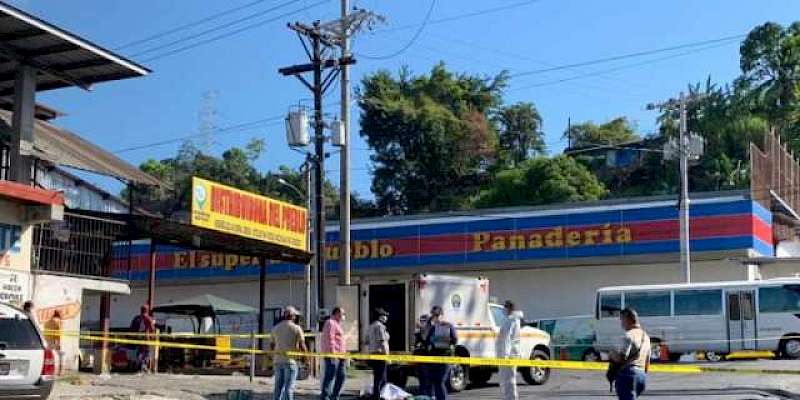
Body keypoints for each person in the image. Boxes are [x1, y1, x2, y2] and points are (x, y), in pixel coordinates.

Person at [609, 308, 651, 400]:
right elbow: (647, 361)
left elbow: (622, 358)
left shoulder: (629, 335)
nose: (621, 323)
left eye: (621, 319)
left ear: (628, 319)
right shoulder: (646, 337)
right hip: (641, 376)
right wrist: (643, 376)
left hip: (628, 375)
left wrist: (612, 354)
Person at [271, 305, 307, 400]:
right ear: (292, 316)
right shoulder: (296, 328)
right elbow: (303, 346)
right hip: (290, 361)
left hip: (278, 361)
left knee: (278, 388)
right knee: (289, 388)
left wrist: (272, 355)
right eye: (295, 316)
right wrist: (306, 359)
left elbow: (271, 344)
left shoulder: (276, 328)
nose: (296, 317)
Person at [425, 306, 457, 400]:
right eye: (434, 315)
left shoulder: (446, 326)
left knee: (439, 381)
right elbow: (427, 341)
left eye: (437, 315)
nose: (436, 317)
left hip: (443, 358)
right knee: (436, 381)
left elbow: (454, 339)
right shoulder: (434, 327)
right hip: (437, 358)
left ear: (441, 315)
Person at [496, 301, 522, 400]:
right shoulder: (511, 320)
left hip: (509, 355)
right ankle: (509, 397)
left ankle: (511, 398)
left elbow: (507, 339)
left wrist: (505, 355)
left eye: (505, 307)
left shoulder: (511, 320)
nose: (503, 309)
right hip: (508, 354)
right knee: (507, 379)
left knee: (509, 379)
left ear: (509, 308)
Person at [320, 307, 347, 400]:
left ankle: (335, 396)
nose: (343, 316)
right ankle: (325, 397)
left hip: (341, 355)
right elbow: (330, 339)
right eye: (342, 314)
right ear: (336, 314)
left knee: (342, 376)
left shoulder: (337, 324)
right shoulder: (330, 322)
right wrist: (333, 354)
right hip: (334, 355)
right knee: (330, 376)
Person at [366, 308, 390, 400]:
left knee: (377, 377)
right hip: (380, 354)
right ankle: (379, 396)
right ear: (380, 316)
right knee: (381, 378)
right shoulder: (380, 326)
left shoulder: (371, 326)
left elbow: (366, 341)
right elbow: (383, 342)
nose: (386, 317)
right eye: (385, 315)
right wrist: (387, 356)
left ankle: (377, 395)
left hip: (373, 353)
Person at [129, 305, 156, 373]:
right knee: (146, 352)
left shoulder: (136, 318)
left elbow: (131, 328)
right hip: (145, 338)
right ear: (147, 310)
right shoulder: (148, 318)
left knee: (139, 351)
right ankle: (143, 367)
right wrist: (153, 336)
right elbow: (152, 329)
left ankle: (138, 366)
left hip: (137, 337)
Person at [413, 314, 432, 397]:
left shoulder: (431, 331)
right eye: (421, 321)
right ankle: (423, 393)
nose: (421, 322)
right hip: (420, 359)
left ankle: (428, 394)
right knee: (421, 377)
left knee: (427, 378)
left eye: (424, 321)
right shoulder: (419, 332)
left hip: (429, 359)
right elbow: (416, 344)